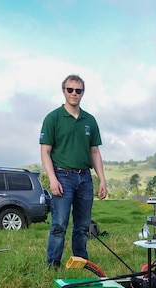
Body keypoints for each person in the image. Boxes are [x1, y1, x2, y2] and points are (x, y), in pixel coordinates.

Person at [40, 74, 108, 269]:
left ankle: (80, 263)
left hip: (85, 178)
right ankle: (53, 264)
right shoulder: (53, 118)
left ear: (83, 93)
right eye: (70, 90)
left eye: (78, 90)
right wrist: (52, 179)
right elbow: (45, 151)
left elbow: (94, 151)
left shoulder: (90, 120)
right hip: (62, 177)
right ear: (64, 91)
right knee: (59, 224)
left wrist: (102, 180)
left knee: (82, 225)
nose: (74, 94)